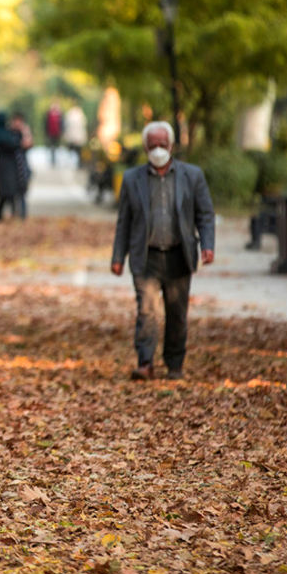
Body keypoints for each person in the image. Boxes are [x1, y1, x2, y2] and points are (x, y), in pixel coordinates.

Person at [110, 121, 215, 380]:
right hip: (146, 257)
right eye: (153, 145)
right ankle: (145, 362)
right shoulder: (132, 179)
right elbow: (124, 220)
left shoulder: (192, 176)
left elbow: (205, 214)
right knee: (146, 311)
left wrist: (207, 245)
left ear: (172, 146)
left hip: (179, 255)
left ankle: (174, 364)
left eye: (163, 144)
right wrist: (117, 257)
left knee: (176, 312)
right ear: (146, 147)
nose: (158, 149)